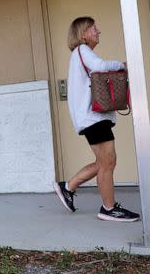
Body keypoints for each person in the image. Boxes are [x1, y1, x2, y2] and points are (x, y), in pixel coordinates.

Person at [54, 16, 140, 222]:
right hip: (93, 119)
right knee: (108, 162)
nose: (98, 31)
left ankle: (68, 187)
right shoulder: (82, 51)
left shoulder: (82, 54)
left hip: (93, 119)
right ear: (83, 34)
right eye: (93, 28)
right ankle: (108, 208)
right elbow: (101, 66)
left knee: (106, 162)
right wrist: (123, 64)